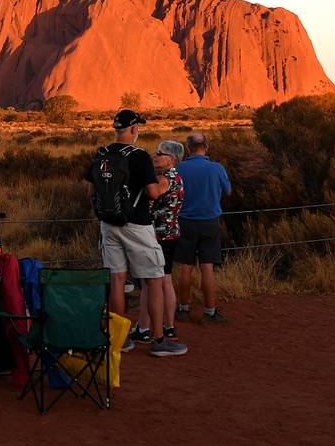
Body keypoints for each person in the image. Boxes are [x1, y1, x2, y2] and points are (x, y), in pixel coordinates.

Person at [84, 110, 187, 357]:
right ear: (133, 129)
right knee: (153, 279)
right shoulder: (139, 156)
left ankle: (118, 339)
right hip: (137, 225)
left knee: (117, 280)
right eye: (137, 127)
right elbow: (152, 194)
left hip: (108, 224)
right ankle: (159, 340)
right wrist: (163, 185)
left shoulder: (102, 154)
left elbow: (90, 191)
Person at [131, 140, 185, 343]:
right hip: (171, 233)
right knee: (165, 279)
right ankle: (169, 326)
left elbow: (154, 193)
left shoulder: (164, 179)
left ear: (171, 159)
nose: (155, 156)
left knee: (150, 282)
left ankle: (144, 328)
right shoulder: (178, 177)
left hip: (158, 236)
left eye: (159, 153)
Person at [175, 132, 232, 324]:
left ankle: (183, 309)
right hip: (210, 222)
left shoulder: (180, 168)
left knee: (185, 266)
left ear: (188, 148)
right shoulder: (216, 168)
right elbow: (228, 191)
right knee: (207, 267)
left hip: (185, 222)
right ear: (206, 147)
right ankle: (210, 311)